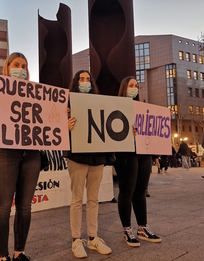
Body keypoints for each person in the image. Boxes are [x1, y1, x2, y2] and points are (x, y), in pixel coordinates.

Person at [0, 52, 39, 261]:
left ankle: (20, 252)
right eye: (16, 64)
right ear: (7, 68)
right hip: (4, 154)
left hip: (31, 155)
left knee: (25, 206)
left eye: (24, 65)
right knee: (3, 207)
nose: (21, 68)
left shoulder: (35, 93)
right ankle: (3, 256)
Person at [64, 70, 112, 259]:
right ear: (75, 83)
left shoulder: (100, 103)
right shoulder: (67, 103)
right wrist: (65, 124)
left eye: (88, 79)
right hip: (77, 155)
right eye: (81, 79)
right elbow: (58, 129)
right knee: (77, 199)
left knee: (93, 199)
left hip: (97, 155)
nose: (85, 82)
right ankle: (76, 239)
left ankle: (93, 237)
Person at [114, 76, 162, 248]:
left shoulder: (142, 106)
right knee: (127, 191)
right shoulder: (116, 105)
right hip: (125, 153)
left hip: (144, 152)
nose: (134, 88)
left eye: (136, 85)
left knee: (141, 190)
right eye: (130, 85)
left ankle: (143, 227)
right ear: (124, 88)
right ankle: (127, 229)